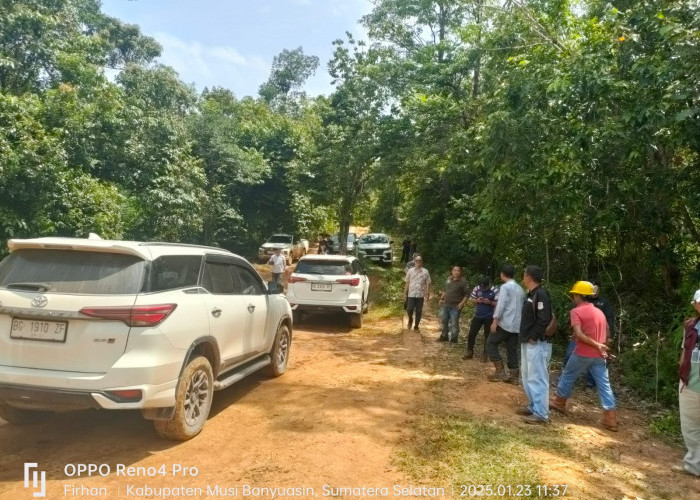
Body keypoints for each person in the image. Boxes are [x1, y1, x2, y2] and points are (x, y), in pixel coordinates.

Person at [551, 281, 618, 431]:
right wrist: (602, 345)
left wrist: (595, 344)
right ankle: (610, 417)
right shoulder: (599, 312)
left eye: (574, 294)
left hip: (583, 353)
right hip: (600, 355)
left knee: (568, 375)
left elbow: (579, 334)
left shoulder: (576, 311)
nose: (573, 297)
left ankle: (559, 402)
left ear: (578, 296)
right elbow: (607, 330)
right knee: (604, 385)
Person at [562, 279, 616, 389]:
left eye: (596, 287)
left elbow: (609, 320)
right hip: (580, 336)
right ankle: (569, 382)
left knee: (595, 361)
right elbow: (573, 320)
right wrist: (573, 332)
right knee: (570, 355)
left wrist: (609, 337)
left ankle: (590, 383)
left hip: (597, 338)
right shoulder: (578, 304)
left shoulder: (603, 303)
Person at [517, 266, 553, 424]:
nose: (523, 277)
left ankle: (541, 413)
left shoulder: (541, 294)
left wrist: (534, 336)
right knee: (526, 375)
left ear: (529, 277)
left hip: (536, 343)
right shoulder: (531, 294)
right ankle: (533, 406)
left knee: (537, 377)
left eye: (524, 275)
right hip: (527, 341)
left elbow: (544, 318)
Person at [673, 289, 700, 476]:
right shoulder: (690, 325)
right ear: (695, 305)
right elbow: (685, 350)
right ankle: (694, 464)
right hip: (690, 383)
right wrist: (681, 374)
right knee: (690, 426)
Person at [486, 264, 524, 383]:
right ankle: (514, 377)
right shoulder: (520, 288)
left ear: (502, 274)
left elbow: (501, 305)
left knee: (491, 343)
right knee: (512, 349)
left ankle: (500, 372)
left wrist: (495, 321)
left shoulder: (505, 287)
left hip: (505, 323)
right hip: (516, 325)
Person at [464, 276, 498, 361]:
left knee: (487, 335)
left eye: (485, 287)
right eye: (482, 286)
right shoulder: (477, 288)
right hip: (478, 315)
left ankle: (485, 353)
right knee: (472, 333)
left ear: (489, 284)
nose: (483, 288)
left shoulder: (495, 290)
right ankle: (469, 351)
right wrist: (477, 300)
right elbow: (471, 299)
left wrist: (490, 302)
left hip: (489, 316)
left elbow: (499, 304)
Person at [438, 265, 469, 344]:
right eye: (455, 270)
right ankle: (444, 336)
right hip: (446, 304)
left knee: (454, 322)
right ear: (452, 271)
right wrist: (442, 298)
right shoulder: (449, 279)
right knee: (444, 320)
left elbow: (467, 294)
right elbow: (446, 290)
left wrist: (462, 304)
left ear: (461, 272)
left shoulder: (463, 282)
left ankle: (454, 338)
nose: (456, 272)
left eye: (458, 270)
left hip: (456, 306)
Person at [403, 254, 431, 331]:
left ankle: (416, 326)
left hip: (420, 295)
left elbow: (428, 283)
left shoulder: (425, 271)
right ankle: (410, 319)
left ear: (422, 262)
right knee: (409, 309)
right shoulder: (410, 271)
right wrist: (405, 293)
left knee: (419, 311)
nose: (418, 262)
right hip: (411, 294)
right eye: (417, 260)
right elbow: (407, 282)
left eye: (420, 260)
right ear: (414, 261)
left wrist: (427, 294)